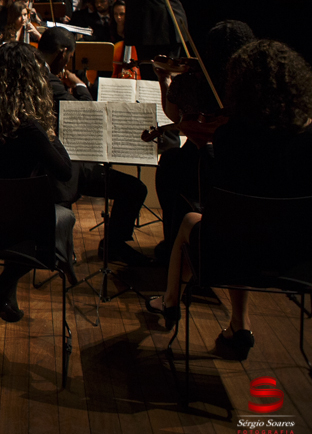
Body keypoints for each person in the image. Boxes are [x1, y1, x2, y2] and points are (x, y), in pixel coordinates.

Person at [145, 40, 312, 359]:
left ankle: (169, 301)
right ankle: (239, 324)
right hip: (297, 258)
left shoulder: (231, 138)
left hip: (235, 253)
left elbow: (227, 201)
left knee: (193, 222)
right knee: (250, 224)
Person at [0, 42, 78, 323]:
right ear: (31, 82)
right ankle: (2, 284)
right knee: (63, 215)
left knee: (29, 208)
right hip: (17, 225)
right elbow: (64, 172)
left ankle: (5, 290)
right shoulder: (29, 127)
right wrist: (49, 133)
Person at [37, 27, 152, 265]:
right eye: (70, 56)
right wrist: (80, 85)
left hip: (44, 159)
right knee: (134, 189)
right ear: (63, 52)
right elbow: (84, 113)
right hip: (59, 167)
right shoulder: (47, 80)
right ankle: (113, 247)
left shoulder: (34, 72)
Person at [151, 20, 254, 260]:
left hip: (196, 159)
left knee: (170, 164)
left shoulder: (190, 80)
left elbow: (174, 115)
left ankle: (174, 244)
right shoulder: (253, 84)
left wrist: (164, 80)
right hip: (242, 158)